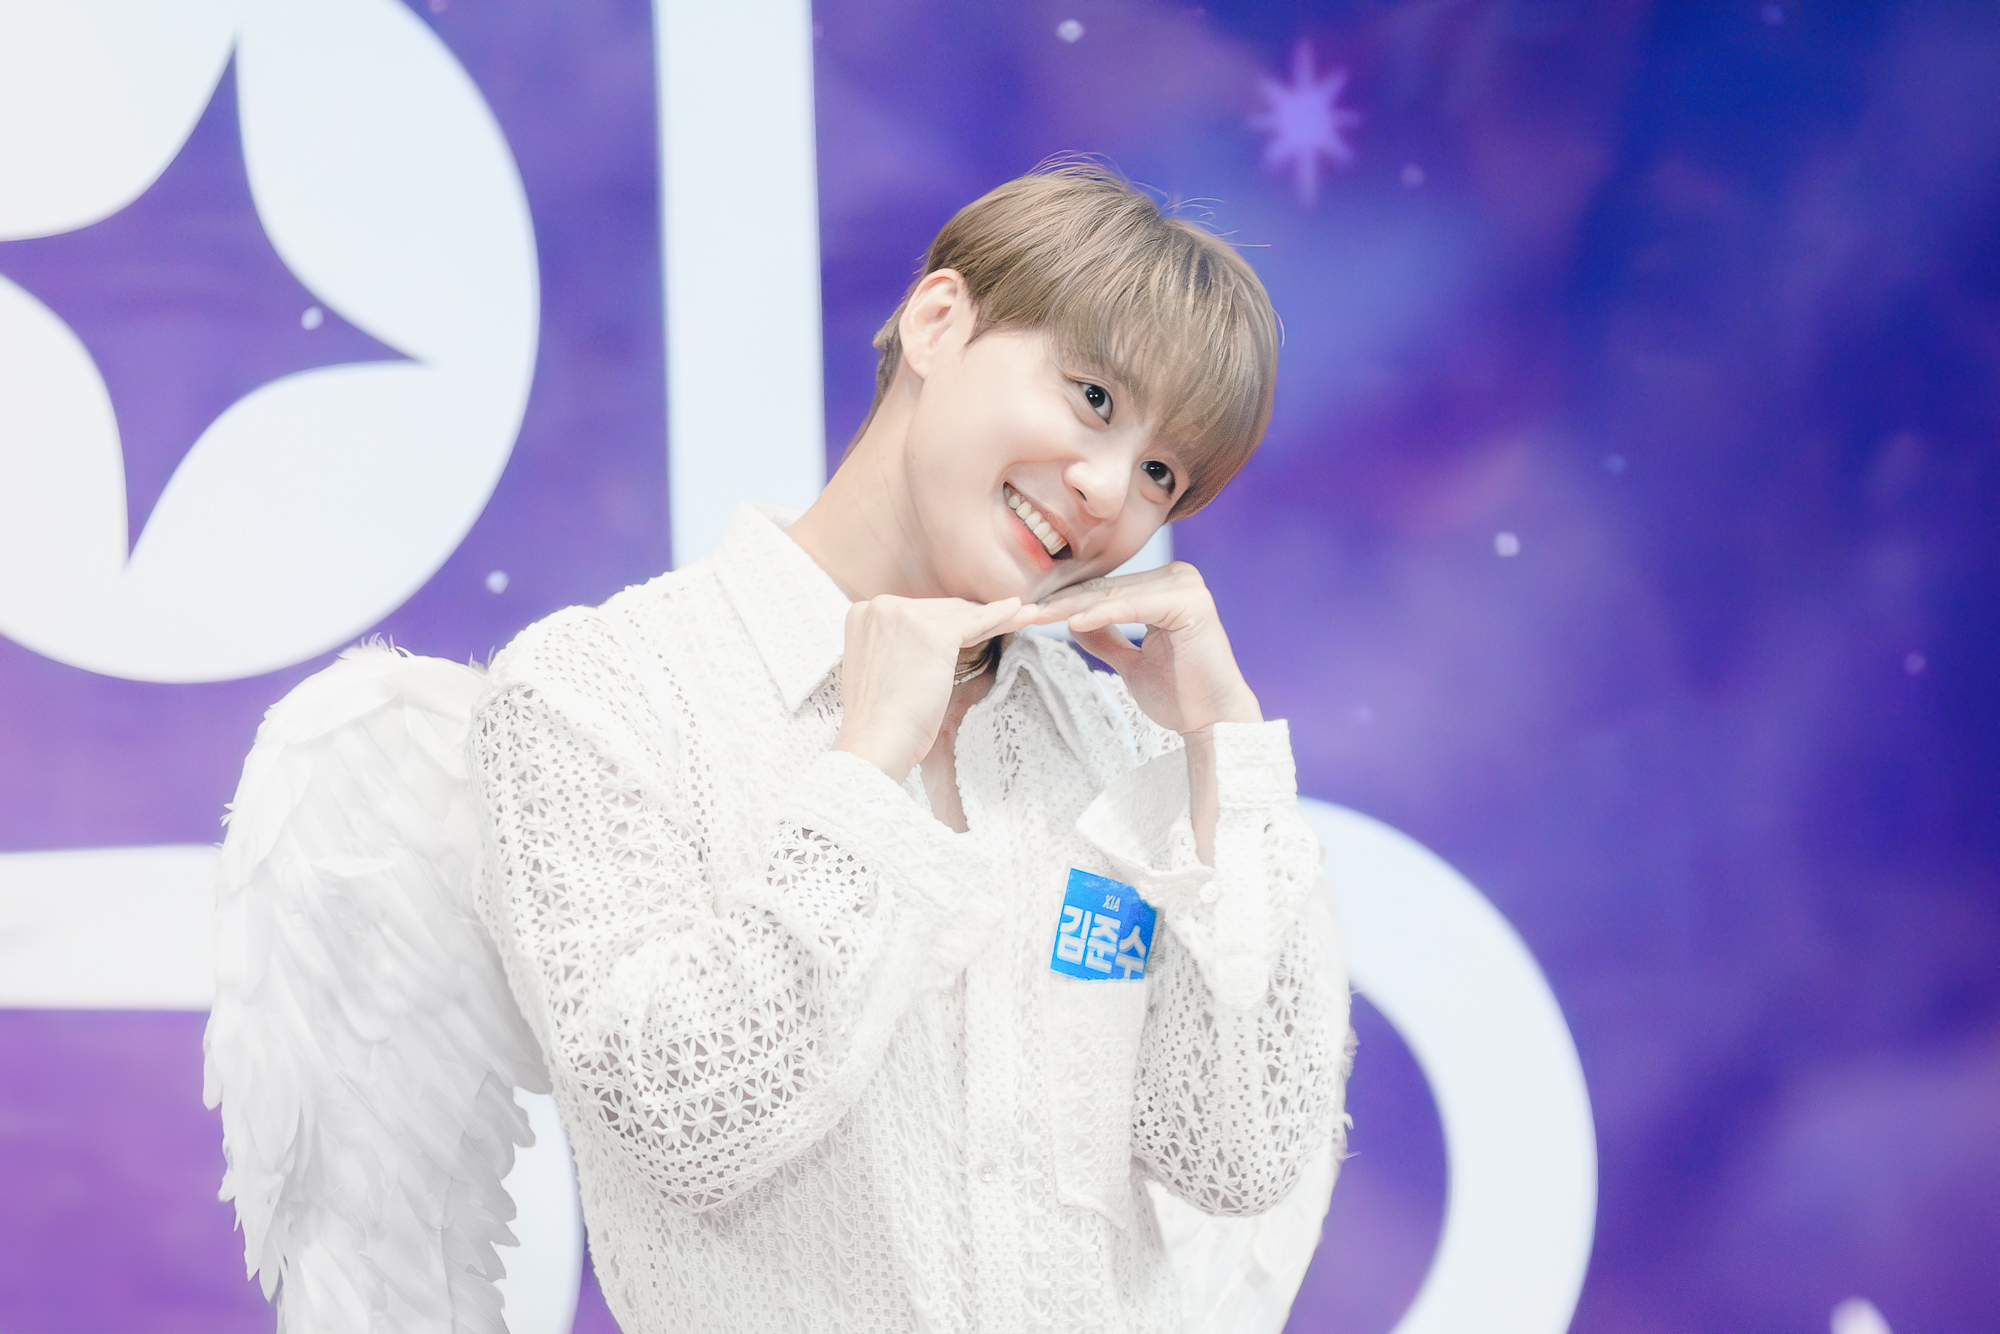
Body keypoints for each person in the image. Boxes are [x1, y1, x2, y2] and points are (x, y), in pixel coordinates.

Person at [207, 162, 1348, 1334]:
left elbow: (1233, 1155)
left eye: (1161, 474)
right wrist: (863, 775)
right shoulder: (603, 690)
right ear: (937, 322)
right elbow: (685, 1120)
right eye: (1093, 398)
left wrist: (1227, 753)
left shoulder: (1110, 734)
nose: (1108, 491)